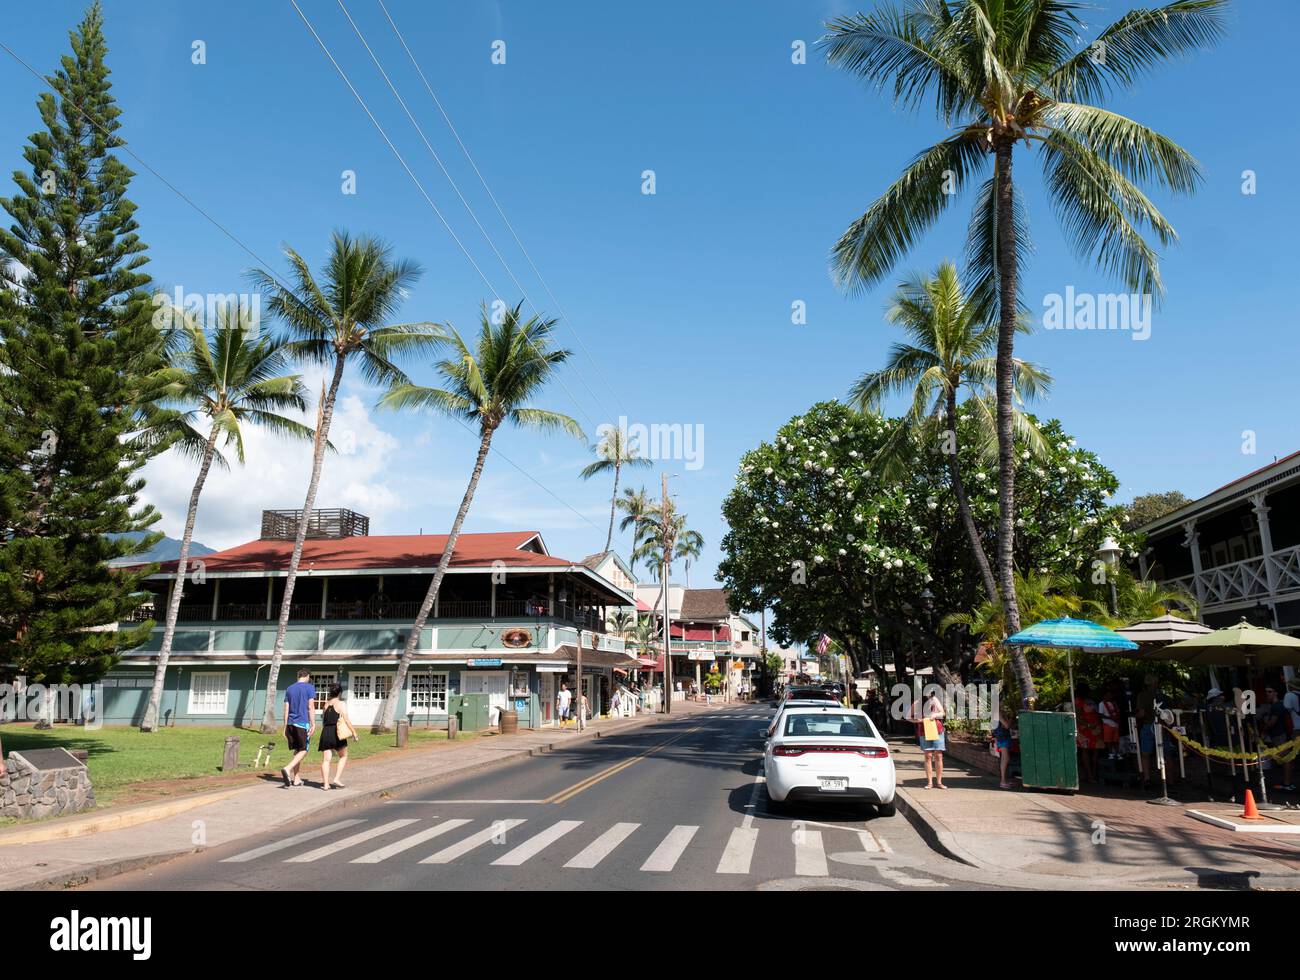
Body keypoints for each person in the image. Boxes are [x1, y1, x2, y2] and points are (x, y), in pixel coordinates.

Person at [281, 668, 316, 787]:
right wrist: (313, 723)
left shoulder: (290, 688)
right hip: (302, 723)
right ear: (307, 677)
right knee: (304, 750)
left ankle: (296, 779)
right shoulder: (309, 687)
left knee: (297, 750)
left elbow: (286, 708)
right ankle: (287, 768)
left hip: (290, 723)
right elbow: (310, 706)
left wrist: (285, 726)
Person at [318, 684, 356, 790]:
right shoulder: (341, 704)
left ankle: (325, 784)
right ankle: (336, 779)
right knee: (343, 756)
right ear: (339, 693)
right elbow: (346, 719)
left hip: (325, 732)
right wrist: (354, 732)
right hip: (337, 733)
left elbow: (323, 719)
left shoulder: (325, 705)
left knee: (326, 760)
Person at [1259, 683, 1294, 792]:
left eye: (1269, 692)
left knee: (1285, 759)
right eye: (1266, 692)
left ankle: (1287, 783)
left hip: (1280, 736)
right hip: (1279, 735)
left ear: (1276, 693)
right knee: (1285, 759)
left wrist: (1263, 728)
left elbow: (1272, 723)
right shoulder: (1277, 705)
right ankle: (1287, 782)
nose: (1267, 694)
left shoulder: (1277, 706)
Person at [910, 691, 947, 789]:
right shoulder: (917, 703)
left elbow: (942, 713)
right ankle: (930, 782)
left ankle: (939, 782)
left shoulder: (934, 700)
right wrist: (917, 721)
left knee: (939, 755)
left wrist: (935, 715)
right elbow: (908, 716)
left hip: (937, 729)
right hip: (924, 730)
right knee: (928, 755)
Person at [1074, 682, 1104, 783]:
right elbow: (1077, 716)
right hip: (1087, 728)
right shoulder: (1079, 701)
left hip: (1093, 728)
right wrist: (1088, 725)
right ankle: (1091, 775)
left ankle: (1092, 775)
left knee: (1091, 751)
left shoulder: (1087, 700)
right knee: (1087, 751)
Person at [1099, 681, 1122, 761]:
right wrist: (1110, 718)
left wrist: (1116, 719)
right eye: (1108, 695)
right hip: (1107, 724)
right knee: (1108, 740)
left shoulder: (1114, 703)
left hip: (1115, 724)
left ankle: (1118, 753)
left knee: (1116, 740)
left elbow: (1117, 712)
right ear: (1105, 695)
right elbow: (1101, 714)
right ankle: (1111, 753)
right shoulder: (1101, 704)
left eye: (1111, 695)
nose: (1110, 696)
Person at [992, 708, 1014, 789]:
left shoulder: (1001, 712)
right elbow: (1007, 725)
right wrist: (1010, 718)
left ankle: (1004, 780)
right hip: (1002, 738)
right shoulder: (997, 712)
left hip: (1003, 737)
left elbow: (1007, 725)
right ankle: (1003, 781)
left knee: (1004, 759)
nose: (1004, 704)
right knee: (1005, 758)